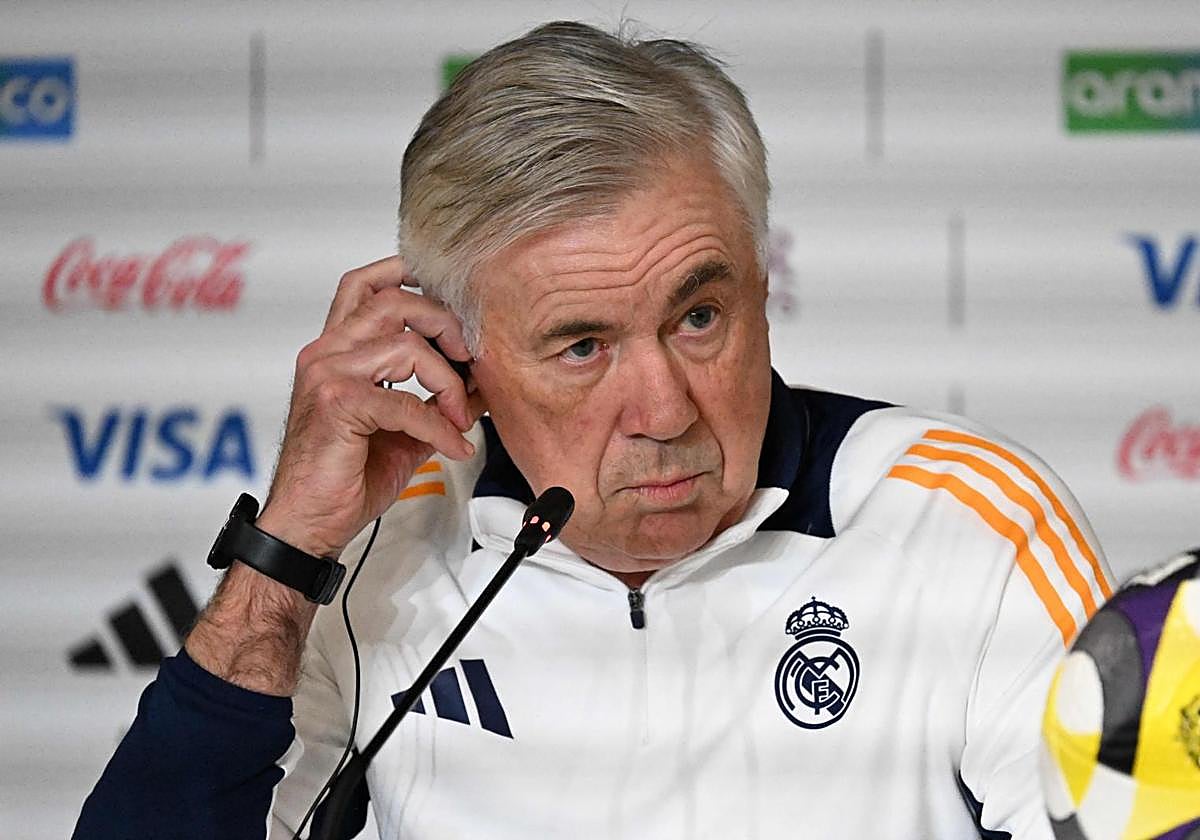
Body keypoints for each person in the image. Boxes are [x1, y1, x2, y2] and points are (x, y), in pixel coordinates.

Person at [74, 20, 1114, 839]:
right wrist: (288, 548)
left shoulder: (967, 519)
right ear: (461, 357)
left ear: (762, 287)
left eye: (699, 317)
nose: (665, 412)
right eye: (582, 346)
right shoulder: (379, 560)